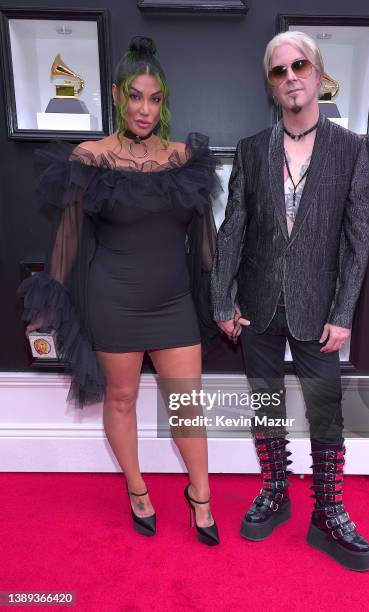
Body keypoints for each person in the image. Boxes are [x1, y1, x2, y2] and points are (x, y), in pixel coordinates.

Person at [18, 36, 219, 546]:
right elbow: (67, 238)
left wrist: (222, 296)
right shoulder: (90, 158)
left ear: (164, 100)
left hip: (174, 302)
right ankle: (137, 489)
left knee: (186, 406)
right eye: (135, 96)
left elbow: (204, 240)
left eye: (154, 99)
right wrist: (50, 303)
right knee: (123, 398)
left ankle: (201, 497)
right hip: (114, 301)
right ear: (115, 94)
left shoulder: (183, 157)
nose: (145, 109)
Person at [211, 31, 369, 569]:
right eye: (279, 71)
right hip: (257, 305)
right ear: (271, 84)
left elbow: (358, 239)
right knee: (266, 405)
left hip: (319, 308)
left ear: (320, 73)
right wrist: (222, 301)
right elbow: (232, 228)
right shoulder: (252, 150)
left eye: (299, 65)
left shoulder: (349, 149)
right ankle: (275, 491)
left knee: (326, 413)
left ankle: (328, 512)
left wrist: (344, 313)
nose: (291, 77)